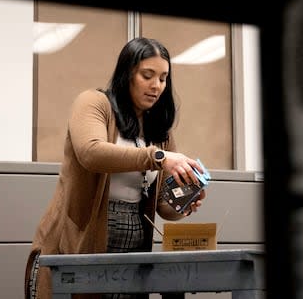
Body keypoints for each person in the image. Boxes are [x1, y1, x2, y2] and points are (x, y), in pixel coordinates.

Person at [25, 37, 208, 299]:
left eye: (163, 78)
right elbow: (92, 152)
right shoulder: (94, 103)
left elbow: (161, 207)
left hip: (133, 246)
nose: (156, 86)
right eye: (147, 75)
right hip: (82, 241)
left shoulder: (159, 131)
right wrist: (158, 157)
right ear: (127, 74)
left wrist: (183, 203)